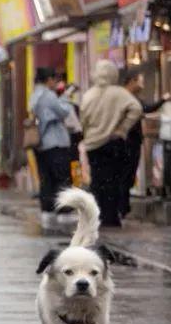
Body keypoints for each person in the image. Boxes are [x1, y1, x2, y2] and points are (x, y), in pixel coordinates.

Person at [81, 59, 142, 227]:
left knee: (97, 181)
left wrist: (89, 134)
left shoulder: (89, 95)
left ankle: (97, 216)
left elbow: (83, 120)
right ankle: (111, 216)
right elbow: (136, 108)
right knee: (113, 181)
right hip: (113, 143)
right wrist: (122, 129)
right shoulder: (119, 93)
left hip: (93, 144)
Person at [120, 69, 170, 217]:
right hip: (127, 141)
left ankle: (122, 206)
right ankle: (121, 207)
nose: (142, 84)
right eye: (140, 80)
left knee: (127, 175)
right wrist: (163, 99)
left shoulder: (131, 97)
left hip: (130, 141)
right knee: (126, 174)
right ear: (132, 81)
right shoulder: (127, 98)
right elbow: (146, 108)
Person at [30, 67, 72, 228]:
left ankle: (47, 209)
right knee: (61, 177)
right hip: (55, 142)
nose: (55, 83)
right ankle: (63, 210)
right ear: (48, 80)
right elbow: (63, 112)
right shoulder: (48, 95)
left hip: (40, 143)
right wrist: (66, 97)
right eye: (54, 80)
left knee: (46, 178)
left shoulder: (34, 95)